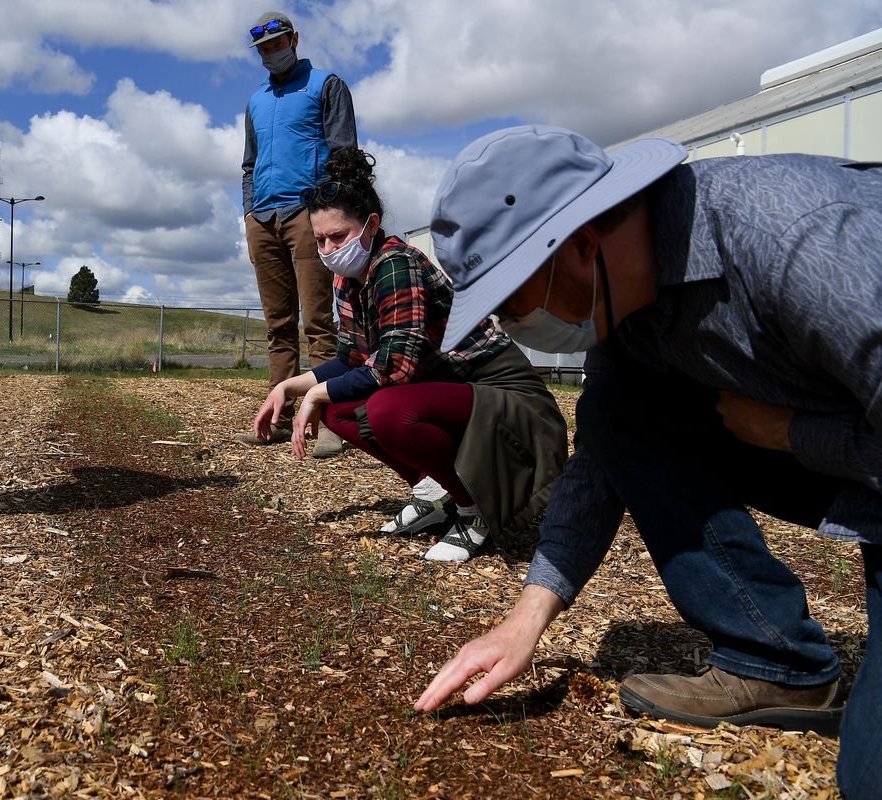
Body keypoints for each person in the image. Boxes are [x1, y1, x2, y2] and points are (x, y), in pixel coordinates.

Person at [415, 125, 881, 799]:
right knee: (615, 411)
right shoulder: (627, 310)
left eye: (512, 307)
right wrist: (526, 622)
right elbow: (601, 460)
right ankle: (771, 660)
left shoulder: (799, 237)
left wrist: (794, 435)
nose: (516, 331)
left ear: (578, 245)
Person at [251, 148, 567, 561]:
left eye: (339, 236)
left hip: (500, 391)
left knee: (385, 409)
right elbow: (350, 359)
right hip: (450, 388)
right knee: (338, 409)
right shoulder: (348, 278)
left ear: (371, 226)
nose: (329, 249)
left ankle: (474, 511)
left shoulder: (395, 263)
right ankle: (432, 493)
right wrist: (290, 387)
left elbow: (396, 366)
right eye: (321, 239)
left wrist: (316, 393)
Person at [236, 11, 356, 459]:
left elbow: (344, 154)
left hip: (308, 214)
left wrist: (332, 211)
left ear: (294, 39)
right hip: (263, 218)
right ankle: (278, 419)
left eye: (277, 44)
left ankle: (330, 422)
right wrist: (250, 210)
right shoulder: (255, 102)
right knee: (277, 325)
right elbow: (249, 164)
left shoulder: (326, 85)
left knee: (319, 322)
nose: (271, 53)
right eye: (263, 49)